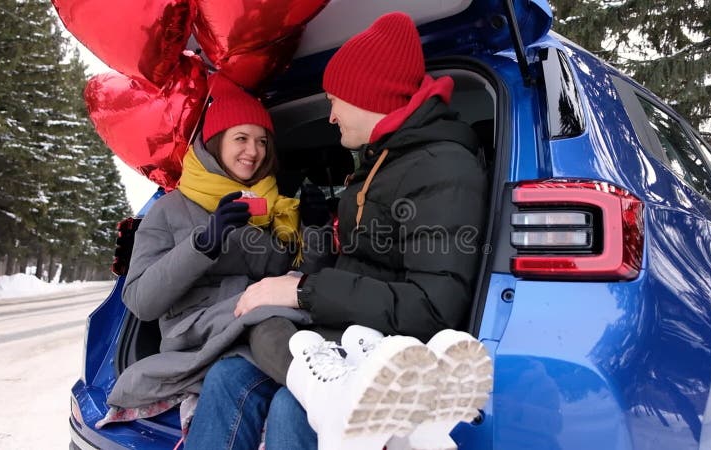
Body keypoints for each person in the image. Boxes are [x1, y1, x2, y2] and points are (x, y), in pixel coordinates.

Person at [196, 11, 494, 450]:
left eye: (335, 99)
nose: (331, 116)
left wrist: (305, 292)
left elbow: (433, 308)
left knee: (290, 404)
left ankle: (345, 404)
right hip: (346, 329)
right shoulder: (382, 163)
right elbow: (363, 259)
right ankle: (331, 395)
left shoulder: (442, 167)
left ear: (368, 96)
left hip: (383, 344)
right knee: (229, 371)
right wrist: (300, 276)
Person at [100, 73, 329, 435]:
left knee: (282, 393)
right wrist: (203, 243)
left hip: (264, 330)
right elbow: (141, 301)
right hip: (200, 338)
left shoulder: (275, 208)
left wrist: (314, 229)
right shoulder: (170, 209)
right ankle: (334, 398)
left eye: (262, 142)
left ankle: (334, 398)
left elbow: (300, 280)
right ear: (215, 142)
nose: (253, 152)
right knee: (230, 376)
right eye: (241, 139)